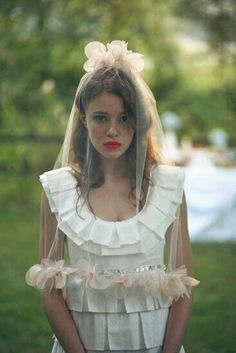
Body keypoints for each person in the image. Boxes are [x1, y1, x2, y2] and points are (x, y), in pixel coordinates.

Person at [26, 40, 199, 353]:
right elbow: (50, 291)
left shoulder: (168, 186)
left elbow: (183, 286)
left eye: (124, 118)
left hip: (155, 343)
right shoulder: (59, 189)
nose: (112, 131)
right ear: (83, 119)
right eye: (101, 117)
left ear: (141, 120)